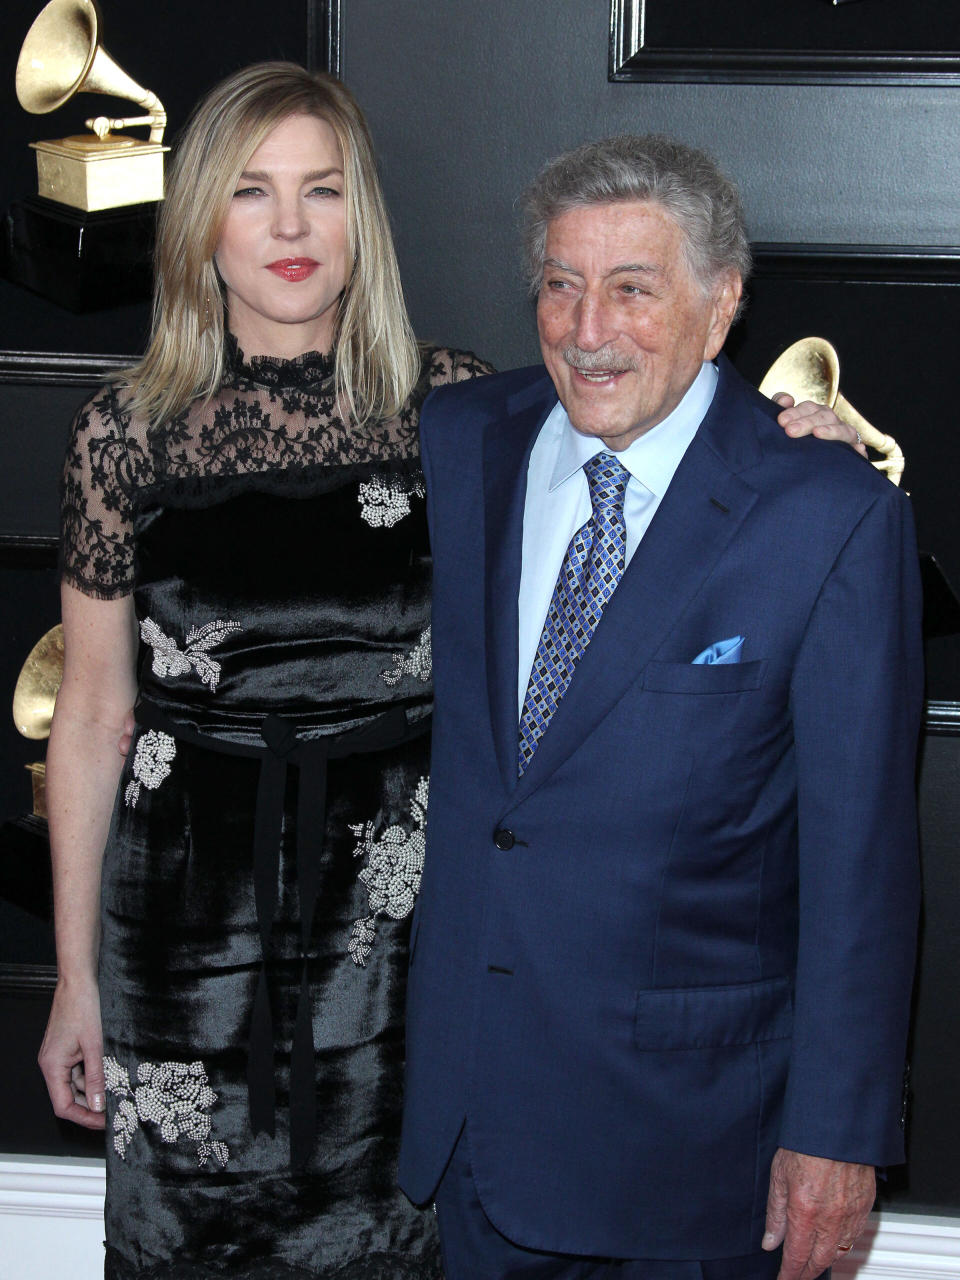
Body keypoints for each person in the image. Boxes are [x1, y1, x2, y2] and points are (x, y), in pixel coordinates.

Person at [398, 135, 923, 1280]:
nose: (588, 331)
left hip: (688, 1157)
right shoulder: (460, 441)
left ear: (722, 302)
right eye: (560, 285)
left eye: (633, 289)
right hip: (470, 1127)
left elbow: (862, 863)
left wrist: (836, 1133)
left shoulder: (827, 515)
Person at [38, 61, 492, 1278]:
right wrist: (75, 979)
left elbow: (641, 459)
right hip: (182, 921)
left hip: (399, 918)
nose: (291, 228)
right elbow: (91, 716)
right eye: (251, 192)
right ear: (201, 223)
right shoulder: (122, 434)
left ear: (364, 219)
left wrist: (789, 436)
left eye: (322, 191)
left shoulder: (458, 411)